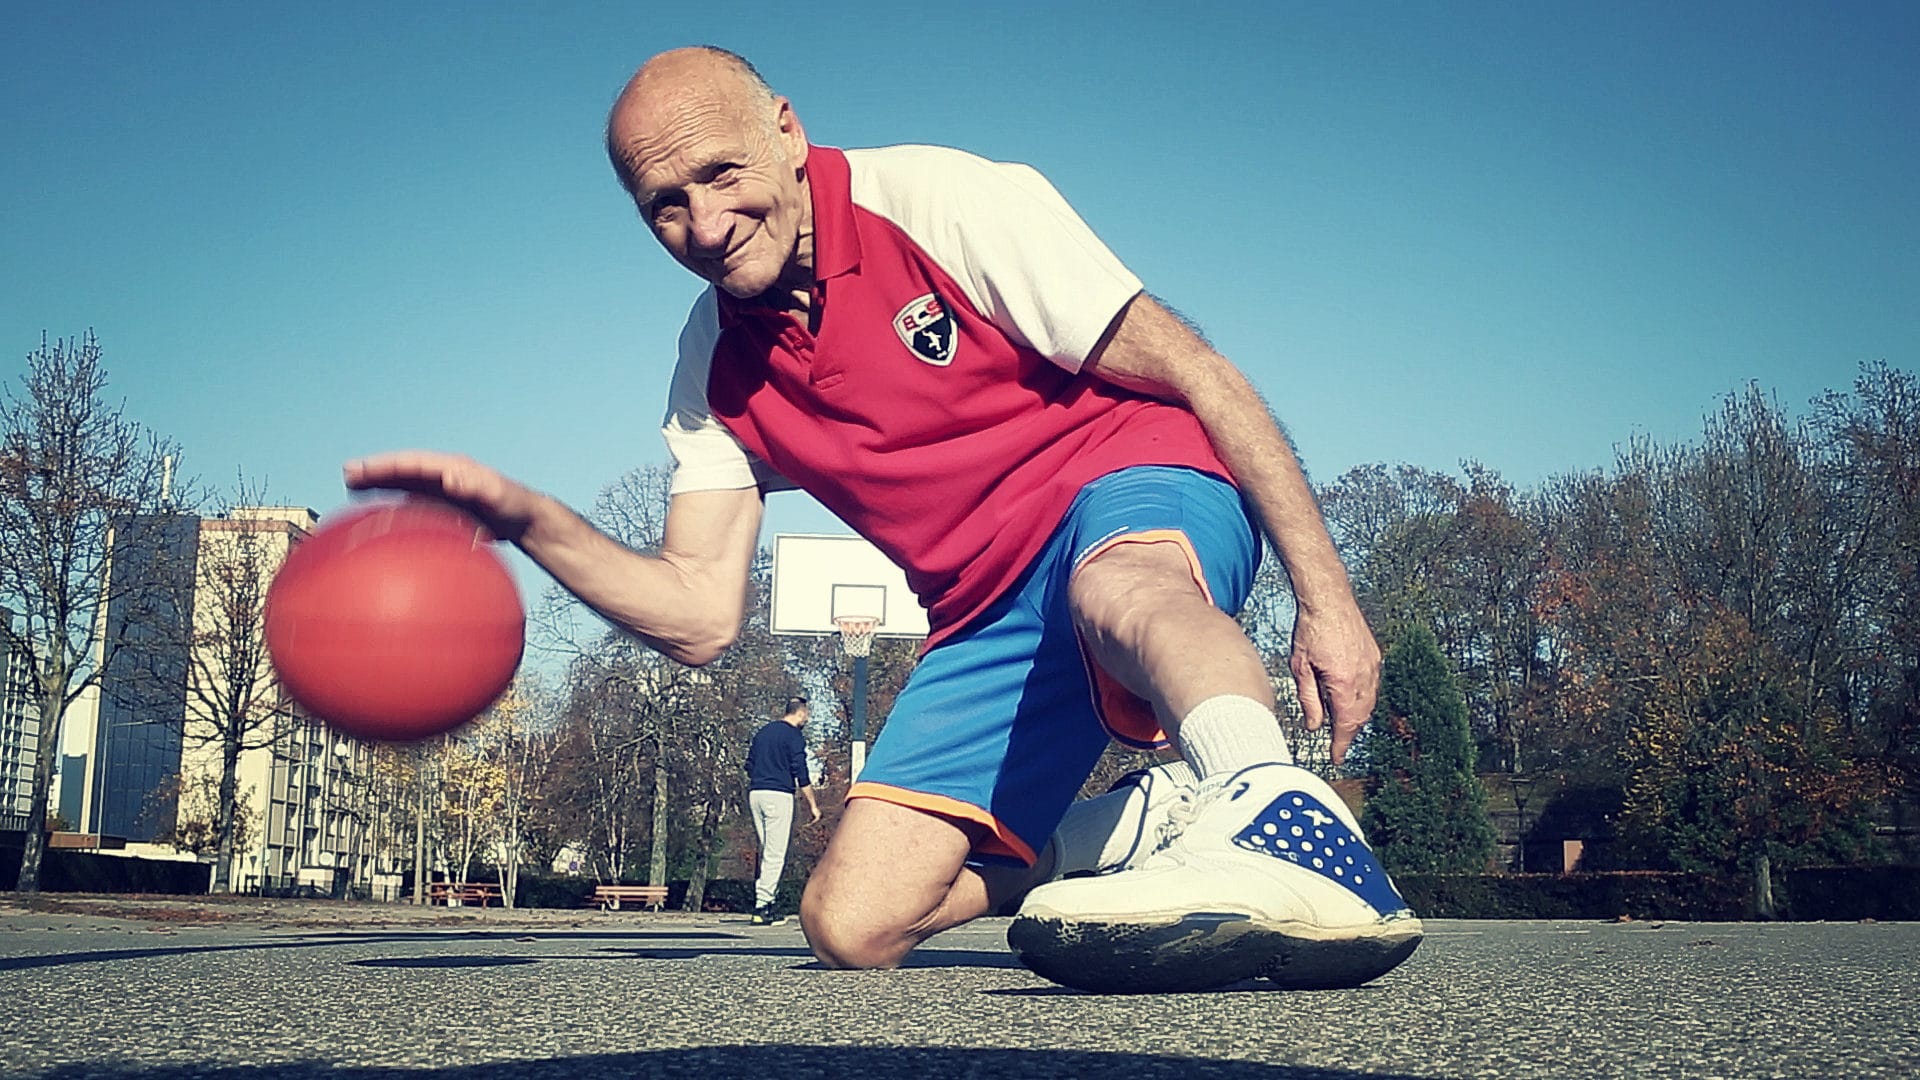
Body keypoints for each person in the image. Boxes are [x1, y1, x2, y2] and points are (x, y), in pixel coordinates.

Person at [346, 45, 1421, 993]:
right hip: (983, 607)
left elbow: (1202, 372)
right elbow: (696, 616)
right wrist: (529, 516)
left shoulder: (943, 201)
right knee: (852, 924)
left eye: (719, 173)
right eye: (664, 205)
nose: (704, 225)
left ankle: (1273, 809)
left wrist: (1328, 603)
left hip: (1131, 481)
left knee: (1114, 584)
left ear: (786, 130)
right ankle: (1126, 829)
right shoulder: (714, 364)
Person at [744, 696, 821, 924]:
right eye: (807, 714)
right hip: (778, 795)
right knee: (775, 854)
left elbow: (749, 764)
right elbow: (801, 771)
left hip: (756, 793)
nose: (807, 718)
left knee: (767, 850)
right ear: (801, 713)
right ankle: (763, 907)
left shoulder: (763, 732)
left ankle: (766, 901)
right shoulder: (793, 735)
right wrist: (813, 805)